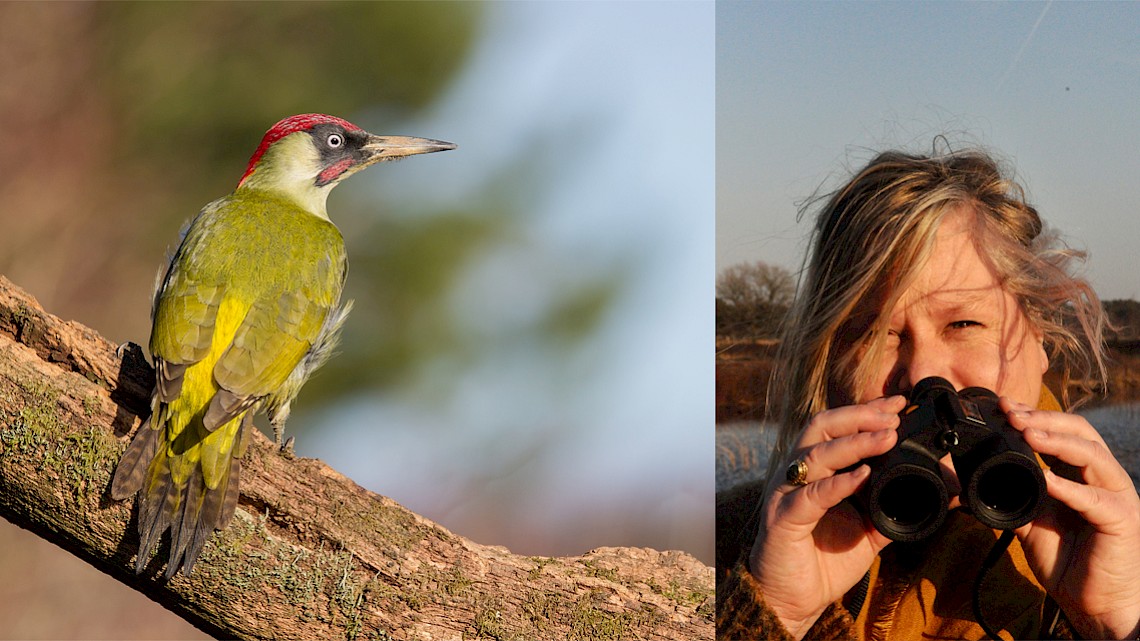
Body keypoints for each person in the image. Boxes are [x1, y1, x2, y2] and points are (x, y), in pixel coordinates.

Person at [716, 147, 1140, 640]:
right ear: (828, 360)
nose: (923, 375)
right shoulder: (728, 544)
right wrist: (775, 613)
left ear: (1040, 336)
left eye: (963, 322)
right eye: (874, 334)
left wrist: (1115, 620)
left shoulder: (1118, 546)